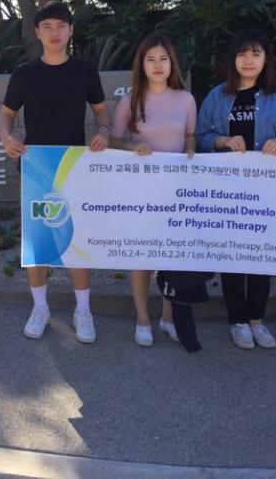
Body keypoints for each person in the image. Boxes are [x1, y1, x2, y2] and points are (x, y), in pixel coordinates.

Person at [0, 1, 110, 343]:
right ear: (37, 32)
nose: (55, 32)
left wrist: (104, 131)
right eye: (47, 26)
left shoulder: (85, 71)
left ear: (71, 30)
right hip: (36, 164)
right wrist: (6, 138)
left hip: (74, 165)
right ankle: (40, 308)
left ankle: (83, 311)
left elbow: (101, 111)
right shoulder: (24, 74)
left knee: (76, 239)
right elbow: (6, 115)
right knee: (38, 240)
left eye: (61, 25)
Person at [196, 28, 276, 350]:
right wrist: (223, 140)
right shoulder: (217, 96)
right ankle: (237, 321)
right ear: (233, 59)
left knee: (260, 256)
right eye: (242, 54)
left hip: (266, 191)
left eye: (256, 54)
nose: (248, 60)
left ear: (266, 59)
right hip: (228, 190)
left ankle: (257, 319)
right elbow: (201, 137)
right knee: (232, 255)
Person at [110, 34, 196, 347]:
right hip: (140, 191)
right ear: (141, 65)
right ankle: (143, 319)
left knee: (171, 255)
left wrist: (191, 148)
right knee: (142, 255)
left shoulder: (185, 99)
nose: (157, 65)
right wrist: (133, 147)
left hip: (176, 191)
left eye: (163, 59)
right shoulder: (129, 101)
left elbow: (190, 135)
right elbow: (113, 140)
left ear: (171, 63)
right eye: (150, 59)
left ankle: (168, 318)